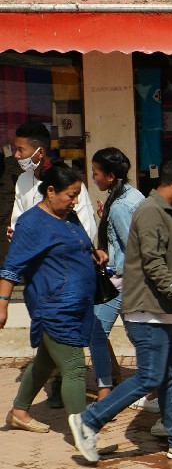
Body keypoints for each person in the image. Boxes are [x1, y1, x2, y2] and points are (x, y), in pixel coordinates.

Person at [80, 156, 172, 461]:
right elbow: (152, 261)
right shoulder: (151, 212)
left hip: (162, 310)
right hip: (147, 311)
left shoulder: (166, 211)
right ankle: (88, 422)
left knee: (169, 374)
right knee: (149, 376)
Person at [0, 162, 100, 443]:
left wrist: (95, 254)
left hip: (77, 304)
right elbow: (11, 267)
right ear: (51, 191)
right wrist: (2, 303)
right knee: (75, 368)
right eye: (71, 194)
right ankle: (83, 435)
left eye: (78, 194)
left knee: (45, 361)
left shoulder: (69, 217)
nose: (75, 201)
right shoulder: (31, 223)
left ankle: (19, 412)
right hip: (54, 307)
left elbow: (79, 245)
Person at [86, 147, 140, 397]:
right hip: (127, 280)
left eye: (96, 173)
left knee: (96, 336)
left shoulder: (120, 205)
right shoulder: (130, 195)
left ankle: (104, 394)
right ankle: (151, 389)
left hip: (120, 281)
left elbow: (132, 247)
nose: (93, 177)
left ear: (109, 176)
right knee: (140, 337)